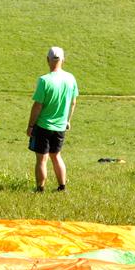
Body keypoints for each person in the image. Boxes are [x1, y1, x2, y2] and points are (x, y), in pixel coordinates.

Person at [27, 46, 79, 192]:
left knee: (42, 159)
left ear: (47, 60)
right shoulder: (70, 78)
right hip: (61, 125)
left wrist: (31, 126)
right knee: (56, 156)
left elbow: (37, 105)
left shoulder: (44, 80)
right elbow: (73, 102)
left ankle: (40, 188)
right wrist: (68, 120)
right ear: (63, 60)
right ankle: (62, 187)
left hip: (44, 125)